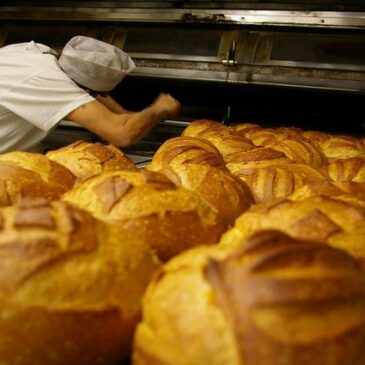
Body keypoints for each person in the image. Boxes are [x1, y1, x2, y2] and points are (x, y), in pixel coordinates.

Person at [0, 35, 181, 153]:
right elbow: (122, 134)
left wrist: (128, 115)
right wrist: (158, 109)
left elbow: (94, 95)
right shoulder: (47, 81)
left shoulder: (39, 54)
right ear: (86, 90)